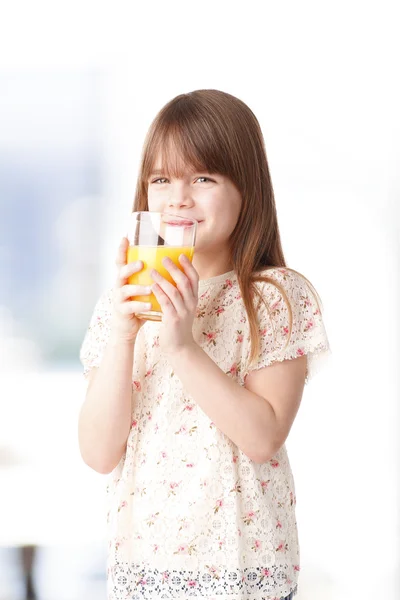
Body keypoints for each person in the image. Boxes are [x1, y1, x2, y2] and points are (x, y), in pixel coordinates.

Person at [79, 89, 331, 600]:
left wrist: (183, 347)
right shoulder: (122, 304)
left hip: (242, 568)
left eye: (203, 178)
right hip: (143, 568)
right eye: (161, 179)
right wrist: (125, 336)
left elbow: (263, 437)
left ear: (247, 187)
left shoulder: (275, 298)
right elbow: (99, 453)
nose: (179, 198)